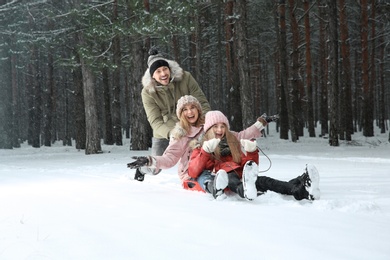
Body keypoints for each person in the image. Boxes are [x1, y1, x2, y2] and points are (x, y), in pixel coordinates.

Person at [127, 96, 272, 191]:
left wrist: (260, 124)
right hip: (191, 171)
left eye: (192, 107)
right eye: (185, 109)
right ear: (181, 113)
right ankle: (142, 169)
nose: (189, 112)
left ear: (198, 109)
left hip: (211, 164)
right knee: (157, 169)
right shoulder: (180, 134)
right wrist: (149, 160)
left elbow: (238, 136)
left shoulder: (210, 125)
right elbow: (170, 158)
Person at [188, 110, 320, 201]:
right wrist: (205, 151)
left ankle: (301, 189)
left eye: (223, 126)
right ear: (209, 129)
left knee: (266, 181)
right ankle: (244, 191)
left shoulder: (233, 142)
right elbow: (193, 171)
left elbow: (249, 168)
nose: (220, 130)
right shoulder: (200, 147)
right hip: (225, 180)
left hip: (244, 178)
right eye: (215, 126)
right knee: (231, 177)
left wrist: (251, 152)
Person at [139, 48, 210, 179]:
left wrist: (204, 123)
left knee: (204, 151)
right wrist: (171, 134)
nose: (163, 74)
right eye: (158, 71)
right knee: (156, 168)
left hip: (191, 124)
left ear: (170, 69)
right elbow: (155, 121)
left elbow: (202, 103)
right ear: (152, 76)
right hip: (165, 131)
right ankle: (142, 170)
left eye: (165, 69)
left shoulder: (186, 78)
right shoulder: (147, 92)